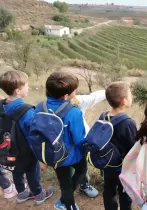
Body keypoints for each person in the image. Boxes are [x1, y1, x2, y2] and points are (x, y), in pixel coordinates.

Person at [0, 71, 53, 204]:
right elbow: (33, 137)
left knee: (16, 170)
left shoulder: (2, 105)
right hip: (26, 152)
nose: (28, 87)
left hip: (9, 150)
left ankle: (21, 192)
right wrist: (41, 158)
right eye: (26, 85)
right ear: (18, 90)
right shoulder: (26, 110)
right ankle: (38, 193)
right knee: (32, 171)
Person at [37, 71, 86, 210]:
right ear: (66, 95)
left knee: (64, 183)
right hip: (72, 155)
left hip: (52, 154)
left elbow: (36, 133)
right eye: (75, 90)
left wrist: (41, 158)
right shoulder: (73, 111)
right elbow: (79, 139)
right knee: (81, 171)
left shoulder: (40, 107)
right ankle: (68, 204)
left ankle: (65, 200)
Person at [102, 82, 136, 210]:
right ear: (124, 101)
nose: (131, 97)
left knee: (109, 190)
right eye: (130, 95)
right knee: (125, 193)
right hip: (123, 167)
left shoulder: (103, 116)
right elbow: (133, 148)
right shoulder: (128, 123)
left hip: (107, 163)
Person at [71, 90, 106, 198]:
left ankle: (83, 184)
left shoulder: (77, 101)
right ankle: (68, 192)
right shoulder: (50, 105)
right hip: (64, 145)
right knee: (71, 168)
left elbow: (94, 97)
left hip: (80, 143)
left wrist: (108, 91)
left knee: (81, 165)